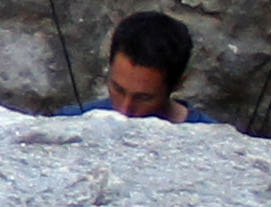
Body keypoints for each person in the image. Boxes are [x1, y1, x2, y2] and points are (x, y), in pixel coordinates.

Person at [79, 11, 212, 123]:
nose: (124, 111)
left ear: (177, 84)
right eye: (118, 89)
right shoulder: (72, 122)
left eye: (143, 98)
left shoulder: (214, 144)